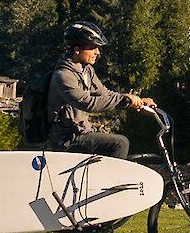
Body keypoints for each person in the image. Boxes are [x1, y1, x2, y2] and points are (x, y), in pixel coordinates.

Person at [42, 21, 157, 160]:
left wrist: (137, 100)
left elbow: (105, 93)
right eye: (92, 48)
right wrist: (125, 100)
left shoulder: (86, 70)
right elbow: (88, 103)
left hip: (81, 132)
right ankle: (112, 182)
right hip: (66, 139)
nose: (97, 52)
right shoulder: (63, 76)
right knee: (120, 144)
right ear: (77, 50)